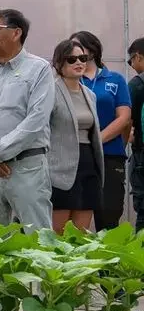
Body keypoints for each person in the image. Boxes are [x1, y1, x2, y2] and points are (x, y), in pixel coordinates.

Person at [0, 9, 55, 233]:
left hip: (26, 167)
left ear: (16, 33)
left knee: (38, 239)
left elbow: (36, 120)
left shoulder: (39, 69)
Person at [69, 31, 131, 231]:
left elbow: (124, 117)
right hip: (76, 156)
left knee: (109, 213)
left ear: (92, 50)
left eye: (79, 47)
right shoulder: (69, 81)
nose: (74, 53)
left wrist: (98, 140)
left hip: (110, 156)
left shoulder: (115, 79)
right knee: (76, 215)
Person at [48, 40, 104, 234]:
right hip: (59, 166)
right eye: (72, 59)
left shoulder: (90, 94)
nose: (79, 63)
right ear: (59, 63)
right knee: (58, 233)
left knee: (82, 235)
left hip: (88, 163)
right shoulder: (50, 91)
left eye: (83, 58)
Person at [127, 37, 144, 232]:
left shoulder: (138, 84)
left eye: (131, 60)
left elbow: (126, 120)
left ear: (138, 56)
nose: (131, 65)